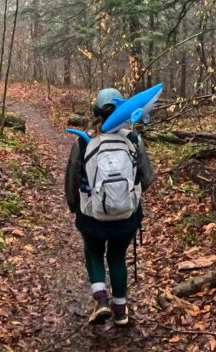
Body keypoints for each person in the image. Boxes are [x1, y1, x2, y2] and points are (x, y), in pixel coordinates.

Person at [65, 87, 155, 326]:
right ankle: (121, 311)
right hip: (127, 216)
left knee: (93, 251)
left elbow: (72, 180)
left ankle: (101, 300)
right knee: (117, 256)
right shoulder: (133, 139)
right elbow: (147, 180)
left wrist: (74, 207)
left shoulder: (84, 142)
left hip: (92, 216)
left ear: (96, 112)